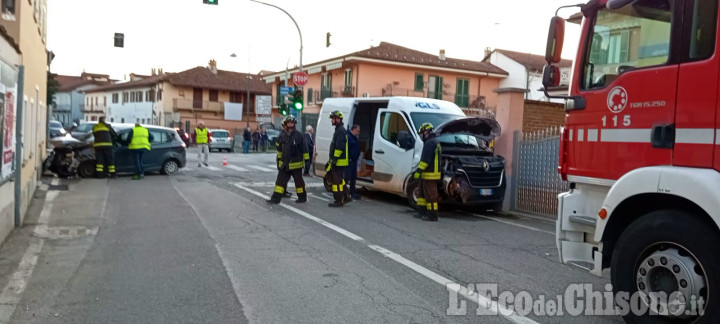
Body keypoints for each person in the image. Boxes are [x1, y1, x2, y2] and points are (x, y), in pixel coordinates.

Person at [266, 116, 309, 204]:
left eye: (292, 123)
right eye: (288, 123)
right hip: (285, 164)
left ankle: (302, 197)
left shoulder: (299, 135)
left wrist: (307, 161)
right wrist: (279, 160)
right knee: (280, 182)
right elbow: (281, 150)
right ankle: (275, 199)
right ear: (286, 124)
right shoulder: (283, 135)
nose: (290, 124)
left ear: (294, 124)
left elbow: (305, 149)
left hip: (296, 164)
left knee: (299, 182)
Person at [413, 123, 441, 222]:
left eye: (422, 133)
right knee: (422, 193)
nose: (421, 136)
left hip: (430, 174)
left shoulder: (430, 143)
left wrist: (418, 171)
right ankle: (421, 211)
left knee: (430, 196)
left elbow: (426, 160)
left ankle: (432, 215)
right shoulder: (433, 142)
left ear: (427, 132)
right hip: (428, 173)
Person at [325, 111, 351, 207]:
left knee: (336, 182)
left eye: (333, 118)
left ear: (338, 119)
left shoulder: (340, 131)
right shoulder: (339, 130)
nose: (332, 120)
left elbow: (339, 148)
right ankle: (346, 195)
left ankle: (338, 201)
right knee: (340, 180)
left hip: (339, 162)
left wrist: (334, 160)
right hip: (339, 161)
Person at [344, 124, 361, 200]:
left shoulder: (354, 137)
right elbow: (346, 149)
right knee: (346, 177)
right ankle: (343, 192)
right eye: (358, 131)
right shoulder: (348, 137)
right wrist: (349, 158)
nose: (359, 133)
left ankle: (352, 192)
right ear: (353, 129)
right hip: (349, 161)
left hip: (354, 161)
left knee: (353, 177)